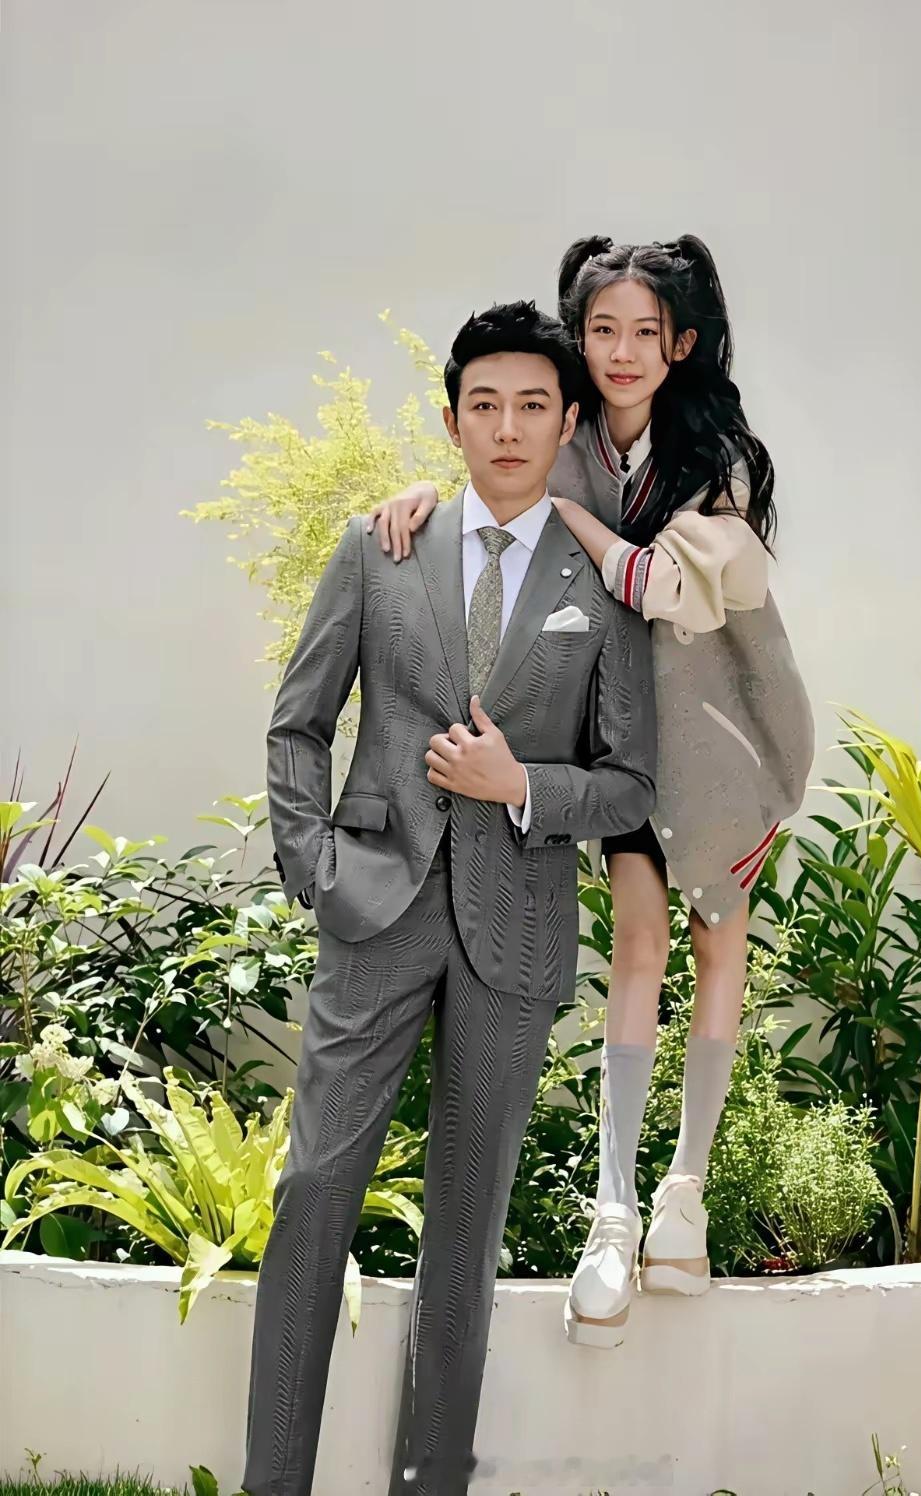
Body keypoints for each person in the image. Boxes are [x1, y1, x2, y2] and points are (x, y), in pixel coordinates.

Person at [368, 236, 814, 1350]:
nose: (621, 352)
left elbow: (662, 586)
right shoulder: (563, 443)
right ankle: (614, 1213)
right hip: (623, 745)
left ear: (681, 344)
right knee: (637, 944)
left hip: (724, 742)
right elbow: (493, 493)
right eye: (602, 330)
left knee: (718, 942)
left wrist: (574, 521)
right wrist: (424, 494)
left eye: (643, 333)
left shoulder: (715, 460)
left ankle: (684, 1197)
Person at [245, 299, 657, 1495]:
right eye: (485, 404)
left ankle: (432, 1482)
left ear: (567, 422)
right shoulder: (382, 545)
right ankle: (274, 1480)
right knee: (315, 1189)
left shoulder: (602, 582)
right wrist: (315, 868)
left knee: (466, 1226)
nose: (508, 427)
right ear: (451, 420)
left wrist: (521, 783)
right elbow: (298, 723)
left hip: (514, 928)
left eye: (533, 405)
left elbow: (631, 780)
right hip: (373, 909)